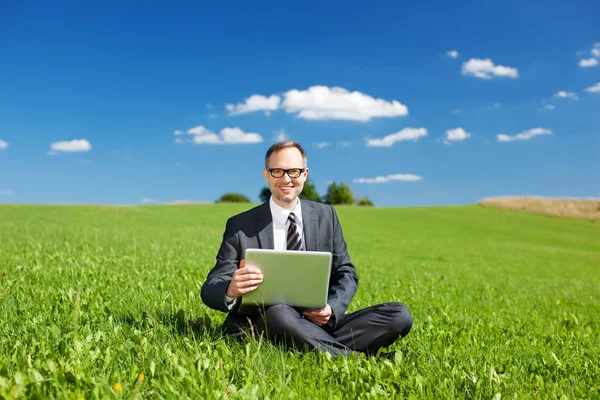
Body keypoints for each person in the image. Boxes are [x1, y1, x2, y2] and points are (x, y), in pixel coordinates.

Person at [201, 141, 412, 358]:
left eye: (293, 171)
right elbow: (211, 287)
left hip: (317, 323)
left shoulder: (326, 216)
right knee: (279, 312)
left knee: (399, 315)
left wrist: (330, 309)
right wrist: (230, 289)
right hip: (265, 323)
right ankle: (359, 360)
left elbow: (346, 273)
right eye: (277, 171)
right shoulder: (240, 225)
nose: (286, 179)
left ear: (305, 174)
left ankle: (314, 346)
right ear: (266, 175)